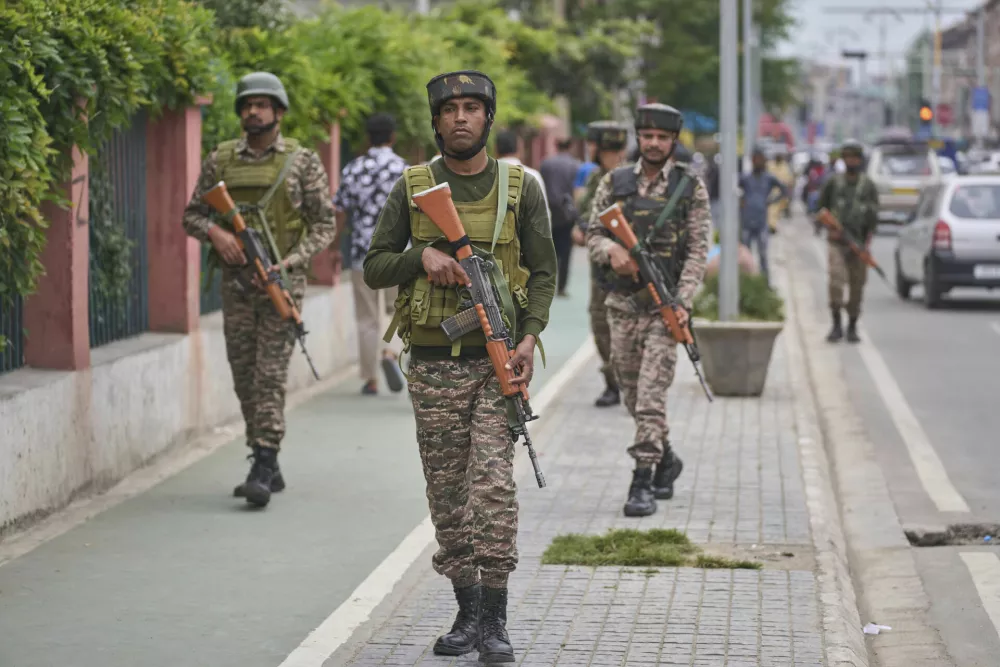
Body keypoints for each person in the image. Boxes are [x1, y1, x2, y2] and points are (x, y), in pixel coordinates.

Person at [363, 70, 556, 663]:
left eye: (474, 107)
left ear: (489, 118)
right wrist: (420, 258)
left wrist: (529, 338)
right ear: (436, 121)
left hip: (498, 366)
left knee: (492, 488)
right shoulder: (412, 186)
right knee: (448, 496)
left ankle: (495, 619)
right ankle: (466, 612)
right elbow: (373, 264)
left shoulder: (522, 187)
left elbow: (545, 273)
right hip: (433, 366)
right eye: (450, 110)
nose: (462, 118)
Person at [182, 72, 336, 508]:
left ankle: (263, 462)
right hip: (236, 287)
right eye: (247, 104)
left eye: (262, 104)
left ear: (279, 111)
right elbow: (191, 214)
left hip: (281, 287)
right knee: (243, 374)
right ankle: (268, 456)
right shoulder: (220, 159)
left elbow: (324, 223)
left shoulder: (302, 162)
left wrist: (289, 261)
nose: (253, 110)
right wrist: (217, 233)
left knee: (269, 375)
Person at [586, 103, 711, 517]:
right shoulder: (615, 182)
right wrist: (612, 250)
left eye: (662, 137)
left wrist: (683, 301)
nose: (655, 143)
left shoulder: (689, 187)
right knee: (633, 393)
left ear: (673, 140)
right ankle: (666, 457)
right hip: (621, 305)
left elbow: (697, 249)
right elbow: (592, 235)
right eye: (648, 136)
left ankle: (641, 479)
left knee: (652, 395)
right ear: (639, 138)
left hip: (665, 308)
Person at [332, 112, 408, 395]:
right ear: (392, 136)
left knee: (366, 317)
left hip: (362, 253)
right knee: (398, 310)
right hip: (398, 252)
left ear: (368, 138)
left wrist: (333, 247)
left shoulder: (354, 169)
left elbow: (340, 210)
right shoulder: (405, 169)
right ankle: (391, 352)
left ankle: (370, 379)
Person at [572, 120, 629, 407]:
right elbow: (584, 214)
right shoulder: (595, 179)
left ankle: (630, 380)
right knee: (600, 321)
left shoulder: (631, 179)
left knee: (629, 326)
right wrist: (580, 230)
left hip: (629, 268)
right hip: (600, 269)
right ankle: (613, 382)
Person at [815, 139, 879, 344]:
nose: (851, 161)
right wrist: (830, 228)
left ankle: (852, 325)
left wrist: (866, 244)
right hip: (837, 243)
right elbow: (820, 209)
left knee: (857, 286)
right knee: (836, 281)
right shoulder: (834, 183)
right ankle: (836, 324)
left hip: (859, 243)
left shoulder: (868, 186)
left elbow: (873, 217)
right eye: (848, 157)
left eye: (855, 157)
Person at [738, 147, 788, 285]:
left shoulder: (768, 178)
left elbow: (784, 190)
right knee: (745, 255)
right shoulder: (746, 178)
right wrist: (740, 201)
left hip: (761, 222)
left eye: (760, 159)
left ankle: (765, 284)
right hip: (747, 221)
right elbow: (734, 189)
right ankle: (745, 282)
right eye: (755, 159)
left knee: (763, 254)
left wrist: (772, 201)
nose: (757, 162)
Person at [539, 137, 582, 297]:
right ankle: (562, 287)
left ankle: (547, 285)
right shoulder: (574, 165)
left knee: (549, 251)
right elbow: (576, 190)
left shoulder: (546, 163)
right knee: (566, 252)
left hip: (549, 211)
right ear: (570, 146)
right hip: (567, 213)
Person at [573, 124, 601, 201]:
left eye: (591, 145)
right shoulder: (585, 168)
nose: (589, 149)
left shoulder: (585, 168)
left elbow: (578, 198)